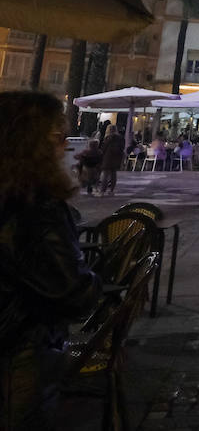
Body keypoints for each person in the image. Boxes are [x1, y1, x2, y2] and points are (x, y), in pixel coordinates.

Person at [0, 92, 102, 429]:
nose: (64, 146)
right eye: (58, 137)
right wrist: (94, 279)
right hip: (20, 352)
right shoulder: (37, 206)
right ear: (32, 144)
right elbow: (71, 293)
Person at [98, 125, 125, 196]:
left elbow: (103, 148)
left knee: (105, 175)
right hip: (116, 157)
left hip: (107, 157)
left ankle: (102, 191)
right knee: (113, 174)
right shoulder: (120, 138)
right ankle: (111, 191)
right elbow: (122, 148)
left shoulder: (108, 138)